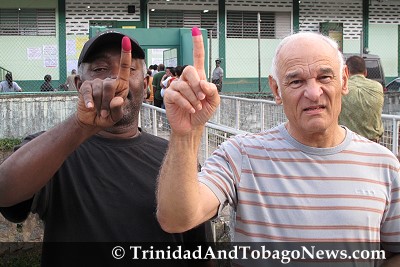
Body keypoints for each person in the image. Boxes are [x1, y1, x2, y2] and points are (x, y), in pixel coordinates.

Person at [156, 28, 400, 266]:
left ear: (344, 80)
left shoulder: (384, 164)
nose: (314, 93)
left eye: (325, 77)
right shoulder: (241, 155)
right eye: (296, 81)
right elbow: (177, 218)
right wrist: (186, 135)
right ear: (276, 89)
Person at [0, 30, 211, 267]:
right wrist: (80, 126)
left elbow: (200, 250)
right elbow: (5, 190)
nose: (115, 79)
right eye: (100, 69)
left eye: (129, 68)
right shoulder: (55, 150)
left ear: (144, 84)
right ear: (80, 84)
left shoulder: (177, 157)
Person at [339, 55, 384, 143]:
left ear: (346, 71)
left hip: (346, 142)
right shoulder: (377, 87)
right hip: (372, 142)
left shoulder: (341, 88)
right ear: (365, 72)